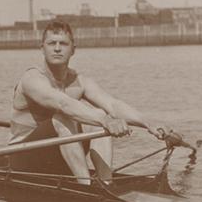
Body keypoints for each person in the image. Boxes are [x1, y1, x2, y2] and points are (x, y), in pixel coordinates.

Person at [9, 20, 169, 185]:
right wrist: (106, 121)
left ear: (73, 50)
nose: (57, 48)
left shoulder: (80, 81)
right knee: (65, 118)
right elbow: (63, 104)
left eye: (63, 43)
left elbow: (113, 105)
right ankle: (86, 186)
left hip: (56, 157)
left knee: (99, 114)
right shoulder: (32, 79)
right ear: (42, 48)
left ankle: (106, 184)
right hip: (21, 159)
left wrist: (148, 122)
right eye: (51, 43)